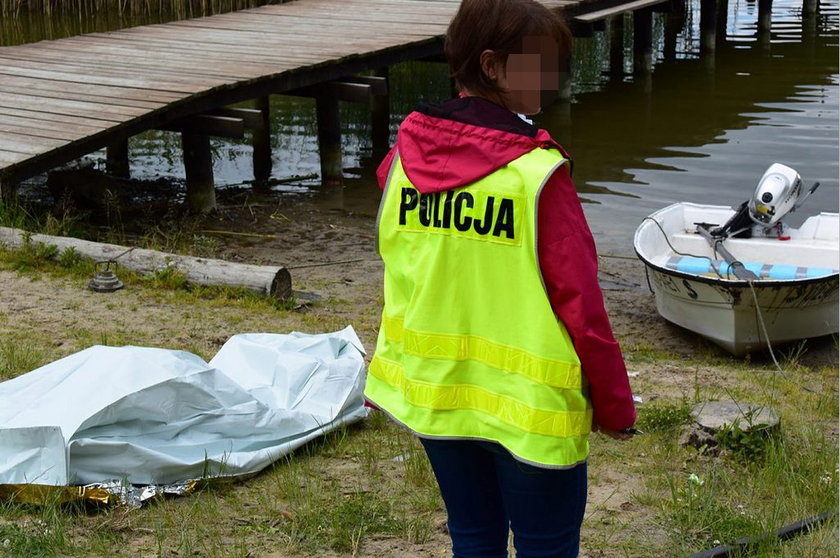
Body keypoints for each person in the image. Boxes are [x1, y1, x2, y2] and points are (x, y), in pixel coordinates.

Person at [363, 0, 637, 556]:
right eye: (542, 63)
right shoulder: (536, 176)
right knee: (546, 545)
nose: (557, 78)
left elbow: (414, 262)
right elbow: (581, 304)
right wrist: (614, 406)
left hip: (437, 394)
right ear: (492, 66)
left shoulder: (403, 162)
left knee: (474, 536)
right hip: (529, 411)